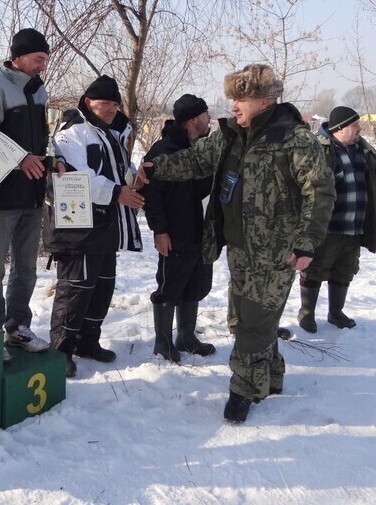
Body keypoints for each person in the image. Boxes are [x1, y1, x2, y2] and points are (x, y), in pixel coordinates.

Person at [136, 64, 334, 423]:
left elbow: (319, 192)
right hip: (239, 249)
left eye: (239, 98)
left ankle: (243, 389)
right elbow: (195, 160)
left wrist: (306, 244)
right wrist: (154, 167)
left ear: (264, 100)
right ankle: (270, 375)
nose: (232, 105)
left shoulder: (294, 139)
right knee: (246, 317)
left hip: (277, 253)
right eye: (231, 98)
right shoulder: (230, 136)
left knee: (253, 323)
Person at [44, 75, 143, 378]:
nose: (112, 108)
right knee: (75, 289)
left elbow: (120, 171)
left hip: (105, 225)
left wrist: (137, 178)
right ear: (88, 102)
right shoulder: (72, 134)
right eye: (105, 103)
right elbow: (75, 177)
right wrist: (116, 192)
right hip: (78, 229)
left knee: (102, 286)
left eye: (115, 104)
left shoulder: (112, 134)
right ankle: (60, 350)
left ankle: (89, 341)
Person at [0, 29, 51, 361]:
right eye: (38, 59)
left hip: (32, 192)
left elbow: (44, 138)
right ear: (18, 56)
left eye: (45, 60)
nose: (42, 66)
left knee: (27, 266)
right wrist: (19, 159)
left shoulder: (40, 90)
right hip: (0, 192)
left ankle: (18, 327)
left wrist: (54, 161)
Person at [140, 94, 216, 363]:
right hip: (174, 233)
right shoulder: (163, 151)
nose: (210, 120)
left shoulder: (204, 151)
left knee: (195, 284)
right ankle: (163, 343)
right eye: (207, 115)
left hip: (201, 231)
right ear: (194, 119)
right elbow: (152, 197)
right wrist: (159, 230)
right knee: (169, 287)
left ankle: (186, 337)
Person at [298, 106, 376, 333]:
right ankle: (307, 313)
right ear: (339, 129)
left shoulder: (365, 151)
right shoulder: (319, 150)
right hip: (326, 227)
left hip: (355, 225)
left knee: (345, 271)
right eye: (354, 126)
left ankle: (336, 312)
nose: (359, 129)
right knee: (315, 269)